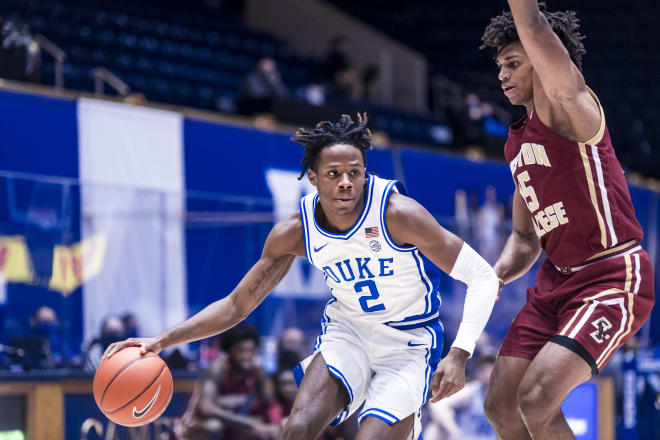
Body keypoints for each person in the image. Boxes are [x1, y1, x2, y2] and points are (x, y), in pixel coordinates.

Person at [104, 113, 499, 440]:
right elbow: (237, 305)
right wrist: (161, 340)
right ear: (313, 177)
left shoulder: (399, 214)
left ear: (364, 174)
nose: (345, 182)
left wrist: (460, 354)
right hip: (350, 334)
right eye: (334, 174)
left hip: (409, 343)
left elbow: (483, 276)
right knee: (297, 430)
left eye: (354, 172)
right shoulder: (295, 230)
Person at [479, 2, 656, 439]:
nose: (502, 75)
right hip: (555, 282)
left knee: (537, 397)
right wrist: (497, 274)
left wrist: (527, 18)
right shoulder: (517, 146)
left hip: (612, 275)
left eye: (513, 63)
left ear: (541, 60)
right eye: (499, 65)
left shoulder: (569, 107)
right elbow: (525, 237)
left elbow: (535, 27)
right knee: (501, 406)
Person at [175, 325, 280, 440]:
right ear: (229, 351)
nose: (246, 356)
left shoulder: (256, 371)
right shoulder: (217, 370)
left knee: (262, 432)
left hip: (229, 426)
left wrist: (273, 426)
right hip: (192, 427)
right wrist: (249, 422)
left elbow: (269, 404)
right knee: (214, 427)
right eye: (240, 350)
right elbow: (207, 408)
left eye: (250, 350)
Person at [424, 355, 497, 440]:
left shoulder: (506, 396)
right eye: (484, 371)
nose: (487, 375)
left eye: (491, 371)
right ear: (478, 373)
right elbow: (437, 405)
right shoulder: (472, 391)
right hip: (465, 437)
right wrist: (454, 431)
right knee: (436, 426)